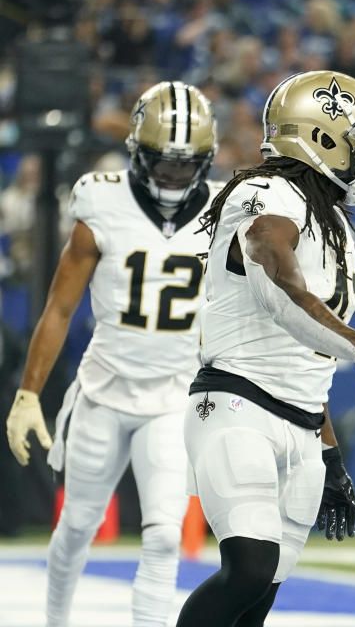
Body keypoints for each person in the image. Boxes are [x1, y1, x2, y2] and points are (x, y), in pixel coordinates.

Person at [175, 70, 355, 627]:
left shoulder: (337, 224)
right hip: (237, 404)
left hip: (301, 423)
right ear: (323, 138)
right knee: (248, 569)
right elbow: (281, 287)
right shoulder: (263, 193)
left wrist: (329, 453)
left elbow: (307, 359)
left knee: (259, 599)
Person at [5, 81, 220, 627]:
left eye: (185, 165)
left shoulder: (228, 208)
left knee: (165, 536)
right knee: (76, 526)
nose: (173, 176)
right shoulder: (101, 198)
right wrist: (29, 392)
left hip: (174, 398)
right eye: (162, 164)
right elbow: (58, 307)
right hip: (104, 389)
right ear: (136, 154)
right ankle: (55, 621)